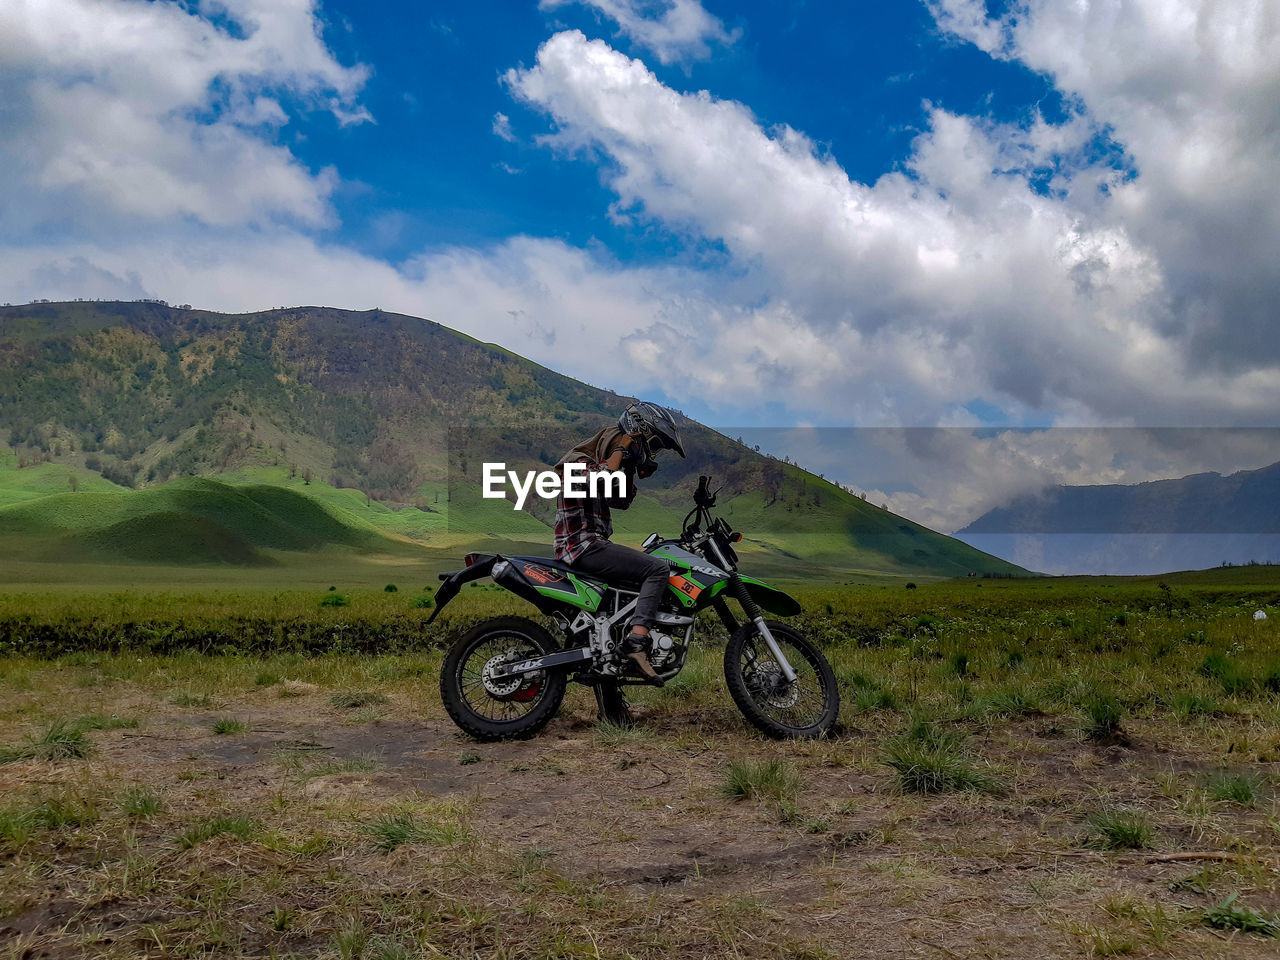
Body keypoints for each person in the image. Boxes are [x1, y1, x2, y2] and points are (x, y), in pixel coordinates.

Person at [554, 401, 686, 681]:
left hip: (592, 546)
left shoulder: (602, 465)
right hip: (583, 546)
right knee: (657, 569)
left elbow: (620, 500)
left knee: (613, 614)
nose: (654, 451)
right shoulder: (576, 463)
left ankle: (613, 698)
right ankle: (637, 642)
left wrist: (630, 471)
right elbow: (600, 479)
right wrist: (621, 448)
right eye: (653, 444)